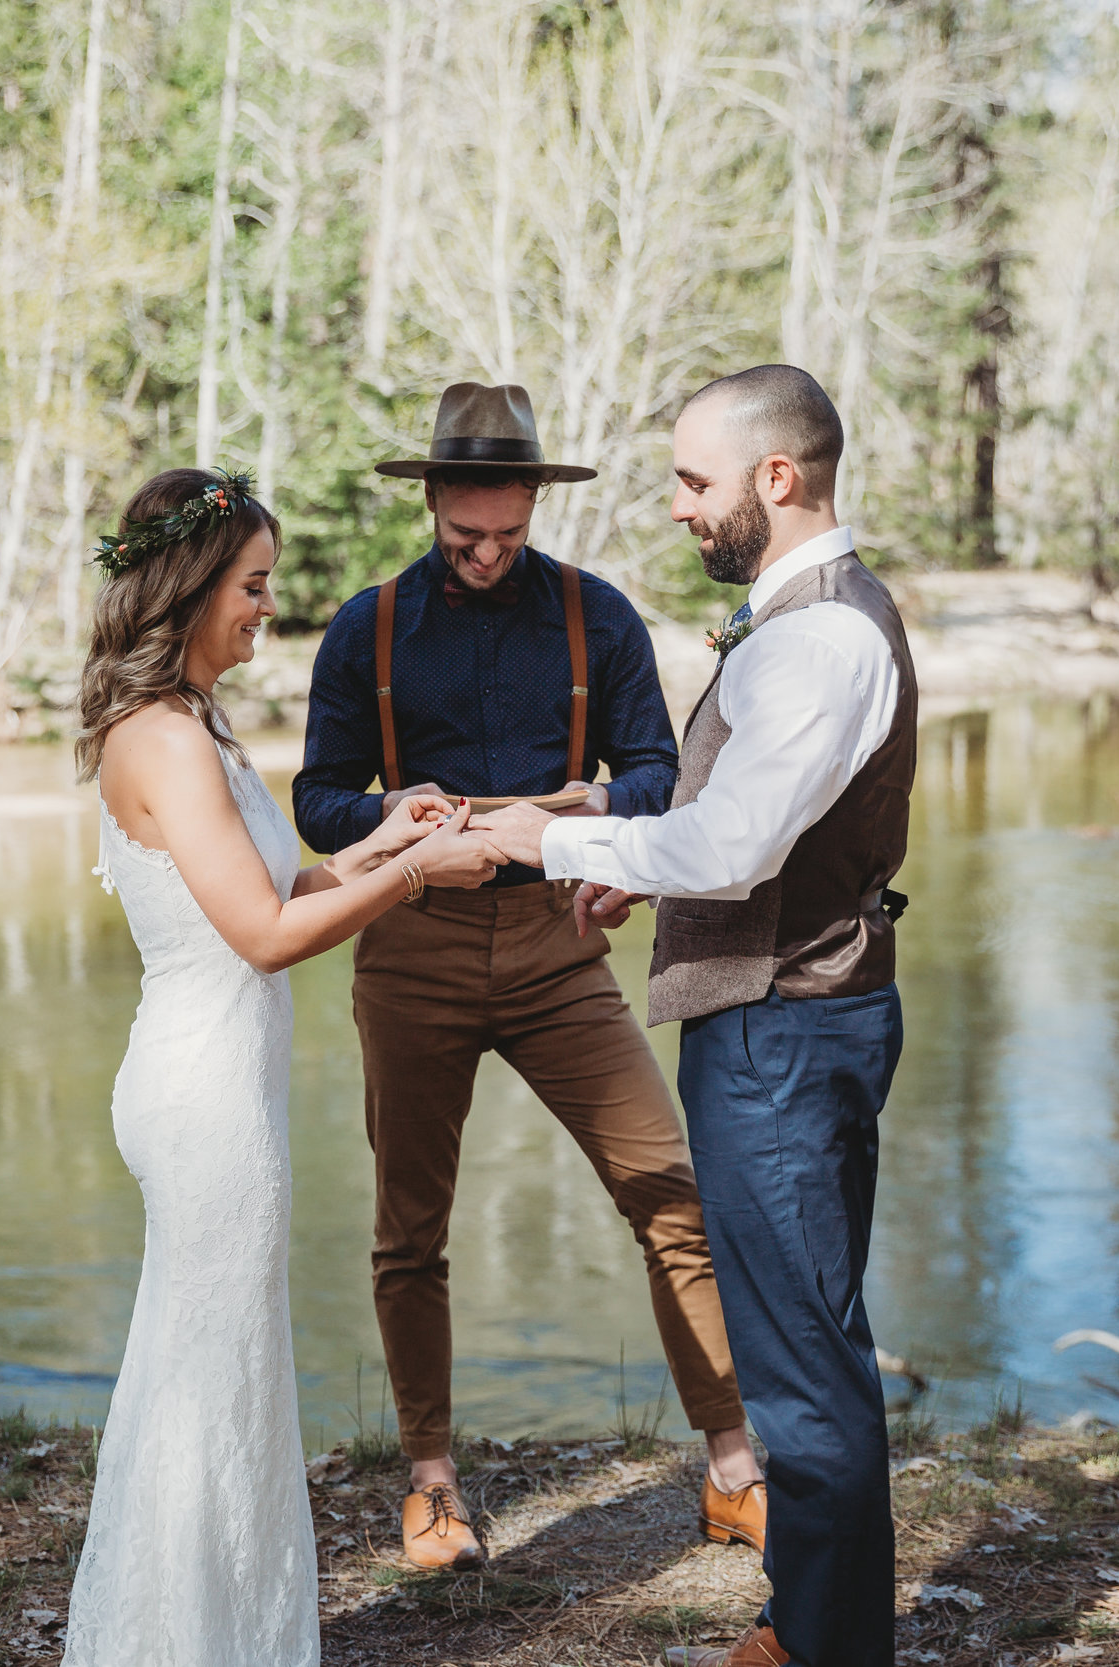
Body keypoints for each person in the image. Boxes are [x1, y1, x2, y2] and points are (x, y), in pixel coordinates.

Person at [477, 366, 919, 1667]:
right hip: (785, 1016)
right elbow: (742, 830)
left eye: (692, 479)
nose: (678, 507)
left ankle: (825, 1646)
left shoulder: (822, 635)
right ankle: (811, 1621)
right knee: (802, 1336)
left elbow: (731, 846)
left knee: (800, 1363)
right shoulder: (805, 615)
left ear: (776, 479)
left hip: (783, 1026)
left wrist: (551, 837)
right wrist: (633, 861)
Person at [292, 381, 765, 1572]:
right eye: (467, 537)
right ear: (436, 505)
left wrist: (596, 802)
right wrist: (389, 811)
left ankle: (733, 1467)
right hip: (411, 946)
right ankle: (434, 1483)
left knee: (669, 1194)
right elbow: (316, 799)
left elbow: (660, 769)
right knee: (411, 1230)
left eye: (509, 533)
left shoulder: (593, 617)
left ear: (531, 506)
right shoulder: (367, 626)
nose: (490, 554)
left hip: (560, 947)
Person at [60, 467, 502, 1667]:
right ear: (192, 587)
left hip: (223, 1080)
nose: (268, 605)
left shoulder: (199, 721)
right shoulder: (157, 735)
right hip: (201, 1093)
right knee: (206, 1382)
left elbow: (277, 887)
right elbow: (260, 939)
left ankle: (221, 1634)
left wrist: (384, 833)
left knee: (224, 1373)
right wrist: (416, 879)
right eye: (253, 584)